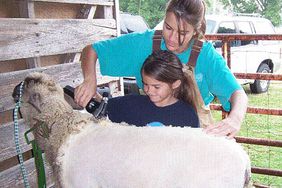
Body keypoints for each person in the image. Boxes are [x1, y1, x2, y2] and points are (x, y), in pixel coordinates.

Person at [74, 0, 248, 138]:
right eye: (168, 27)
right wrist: (90, 80)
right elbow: (92, 50)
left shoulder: (206, 56)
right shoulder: (144, 43)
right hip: (149, 133)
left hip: (192, 137)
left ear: (195, 31)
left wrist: (235, 119)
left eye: (182, 33)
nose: (172, 38)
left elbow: (237, 93)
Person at [106, 50, 200, 127]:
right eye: (145, 84)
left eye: (156, 86)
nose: (149, 91)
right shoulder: (131, 104)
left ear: (175, 84)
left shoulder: (187, 116)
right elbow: (103, 108)